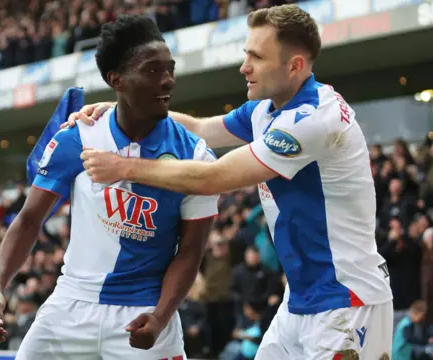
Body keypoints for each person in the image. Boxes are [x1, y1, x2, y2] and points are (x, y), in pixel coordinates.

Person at [66, 4, 393, 359]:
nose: (244, 67)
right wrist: (120, 108)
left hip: (345, 300)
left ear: (295, 65)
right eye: (245, 53)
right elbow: (201, 128)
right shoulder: (266, 109)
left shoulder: (311, 119)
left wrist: (124, 167)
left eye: (256, 56)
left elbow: (213, 178)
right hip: (301, 300)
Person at [0, 15, 219, 360]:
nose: (167, 80)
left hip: (144, 310)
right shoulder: (78, 136)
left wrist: (161, 316)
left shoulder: (195, 155)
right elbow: (29, 220)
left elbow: (191, 251)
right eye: (152, 70)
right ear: (115, 80)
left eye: (170, 69)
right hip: (70, 305)